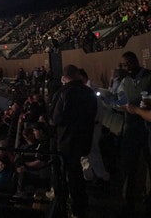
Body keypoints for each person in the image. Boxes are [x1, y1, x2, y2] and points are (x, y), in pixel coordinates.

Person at [50, 65, 97, 217]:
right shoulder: (88, 92)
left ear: (64, 77)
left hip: (66, 142)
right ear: (77, 74)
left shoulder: (63, 93)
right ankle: (81, 204)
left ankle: (70, 206)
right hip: (84, 139)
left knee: (69, 174)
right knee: (77, 173)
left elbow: (56, 119)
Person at [118, 51, 151, 217]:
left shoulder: (148, 77)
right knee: (129, 166)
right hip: (131, 128)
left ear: (136, 61)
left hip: (147, 128)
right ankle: (128, 202)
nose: (127, 67)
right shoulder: (125, 81)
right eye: (124, 65)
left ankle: (148, 200)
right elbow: (120, 100)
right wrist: (122, 105)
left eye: (129, 63)